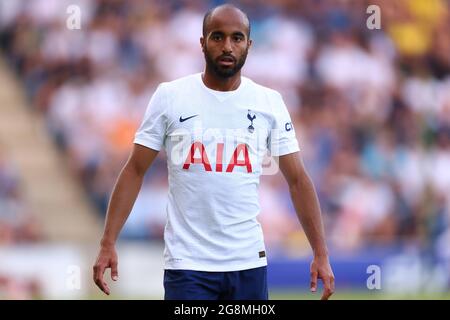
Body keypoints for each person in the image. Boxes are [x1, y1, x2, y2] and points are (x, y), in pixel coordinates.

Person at [93, 4, 335, 300]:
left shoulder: (269, 102)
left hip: (248, 263)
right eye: (217, 37)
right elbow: (134, 170)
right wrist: (108, 242)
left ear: (249, 44)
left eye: (236, 38)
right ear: (202, 42)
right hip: (188, 266)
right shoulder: (170, 97)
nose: (227, 46)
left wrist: (320, 253)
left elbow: (297, 179)